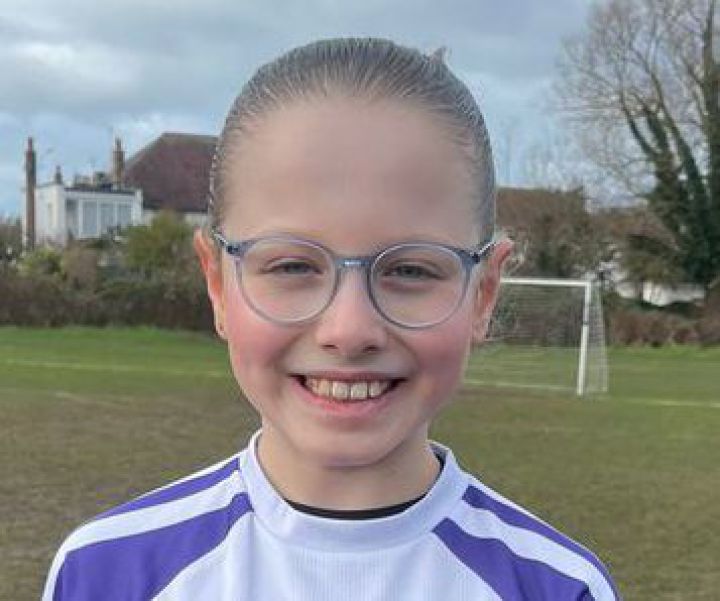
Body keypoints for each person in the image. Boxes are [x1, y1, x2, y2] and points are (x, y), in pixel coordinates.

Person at [43, 37, 620, 600]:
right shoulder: (105, 573)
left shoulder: (559, 588)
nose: (349, 330)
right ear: (217, 283)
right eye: (292, 265)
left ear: (484, 293)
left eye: (411, 270)